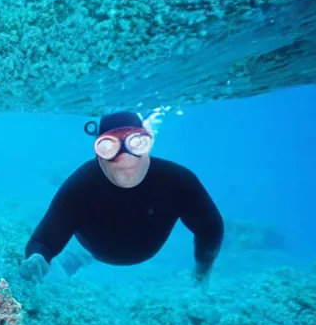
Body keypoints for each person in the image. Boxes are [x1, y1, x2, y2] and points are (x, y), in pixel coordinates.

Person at [21, 110, 224, 284]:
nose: (125, 157)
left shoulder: (179, 181)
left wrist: (203, 266)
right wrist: (38, 259)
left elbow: (210, 228)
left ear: (147, 142)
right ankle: (77, 258)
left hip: (105, 246)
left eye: (136, 143)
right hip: (97, 247)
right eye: (109, 147)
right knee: (79, 254)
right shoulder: (80, 186)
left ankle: (78, 258)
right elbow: (44, 241)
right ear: (98, 151)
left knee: (80, 255)